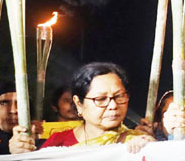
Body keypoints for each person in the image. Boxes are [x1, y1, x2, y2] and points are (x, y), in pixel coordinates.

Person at [9, 62, 153, 153]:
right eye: (101, 99)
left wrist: (153, 150)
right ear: (79, 104)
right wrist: (20, 156)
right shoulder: (58, 143)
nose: (113, 106)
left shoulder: (139, 142)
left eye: (119, 96)